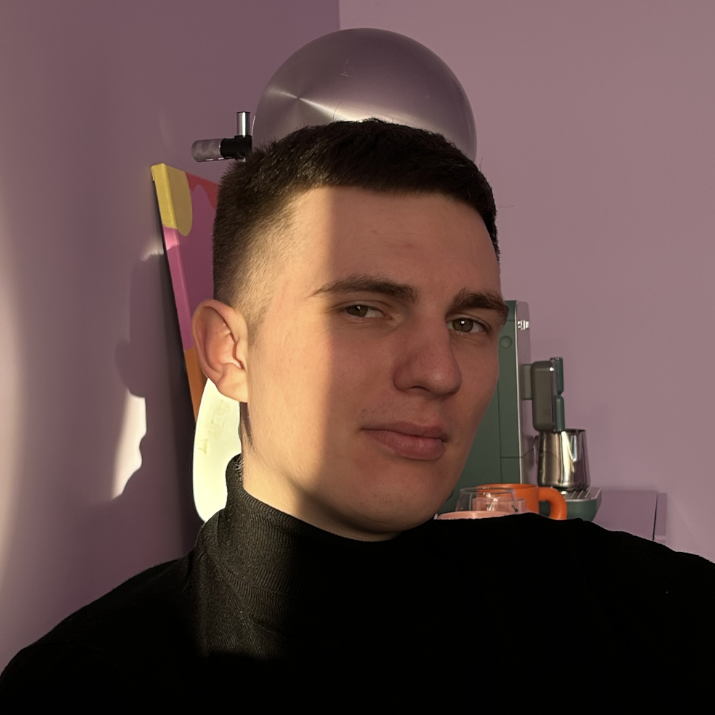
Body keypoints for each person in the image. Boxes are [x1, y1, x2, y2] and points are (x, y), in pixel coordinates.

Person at [1, 120, 714, 708]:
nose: (438, 371)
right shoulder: (88, 693)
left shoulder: (584, 596)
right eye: (364, 310)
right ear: (230, 351)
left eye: (467, 322)